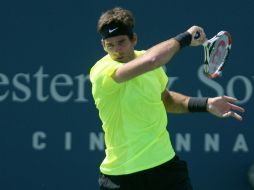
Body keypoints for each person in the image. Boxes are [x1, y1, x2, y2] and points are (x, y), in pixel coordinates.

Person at [90, 7, 245, 190]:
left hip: (165, 166)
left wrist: (205, 104)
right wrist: (185, 38)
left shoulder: (149, 63)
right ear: (103, 45)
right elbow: (152, 60)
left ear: (134, 39)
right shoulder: (102, 71)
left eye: (121, 42)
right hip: (123, 176)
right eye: (110, 44)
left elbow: (166, 99)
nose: (116, 50)